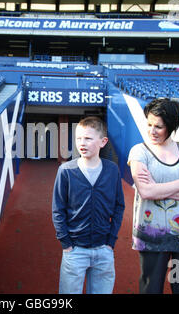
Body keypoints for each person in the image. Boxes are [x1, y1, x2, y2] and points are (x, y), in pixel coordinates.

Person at [128, 98, 179, 294]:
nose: (152, 131)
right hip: (152, 235)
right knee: (151, 290)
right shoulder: (139, 152)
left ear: (170, 126)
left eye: (159, 126)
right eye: (149, 124)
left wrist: (160, 189)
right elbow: (146, 191)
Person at [52, 116, 125, 294]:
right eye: (79, 138)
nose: (82, 143)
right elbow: (58, 210)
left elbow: (119, 206)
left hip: (104, 250)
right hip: (75, 250)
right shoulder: (66, 171)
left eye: (88, 138)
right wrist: (66, 244)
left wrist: (111, 241)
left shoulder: (112, 170)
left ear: (103, 141)